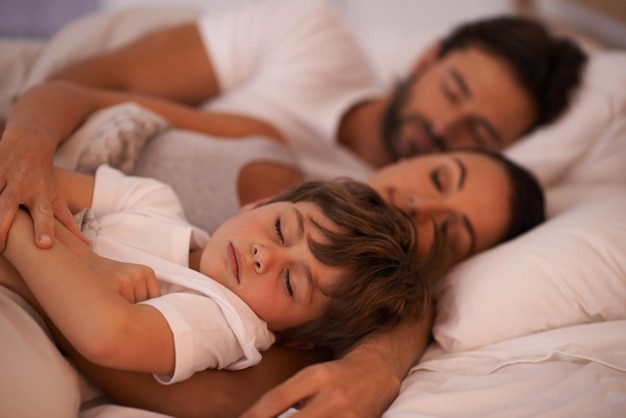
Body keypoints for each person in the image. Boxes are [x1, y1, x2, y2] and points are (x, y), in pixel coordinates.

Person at [0, 0, 584, 251]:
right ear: (428, 59)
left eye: (479, 133)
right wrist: (26, 138)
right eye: (453, 90)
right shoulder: (311, 35)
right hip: (59, 123)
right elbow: (103, 74)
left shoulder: (391, 235)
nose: (444, 125)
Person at [2, 164, 429, 387]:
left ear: (295, 339)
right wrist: (81, 261)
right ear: (259, 203)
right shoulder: (152, 198)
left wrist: (16, 237)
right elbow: (21, 178)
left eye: (290, 283)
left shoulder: (227, 323)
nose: (267, 257)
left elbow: (106, 335)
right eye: (281, 228)